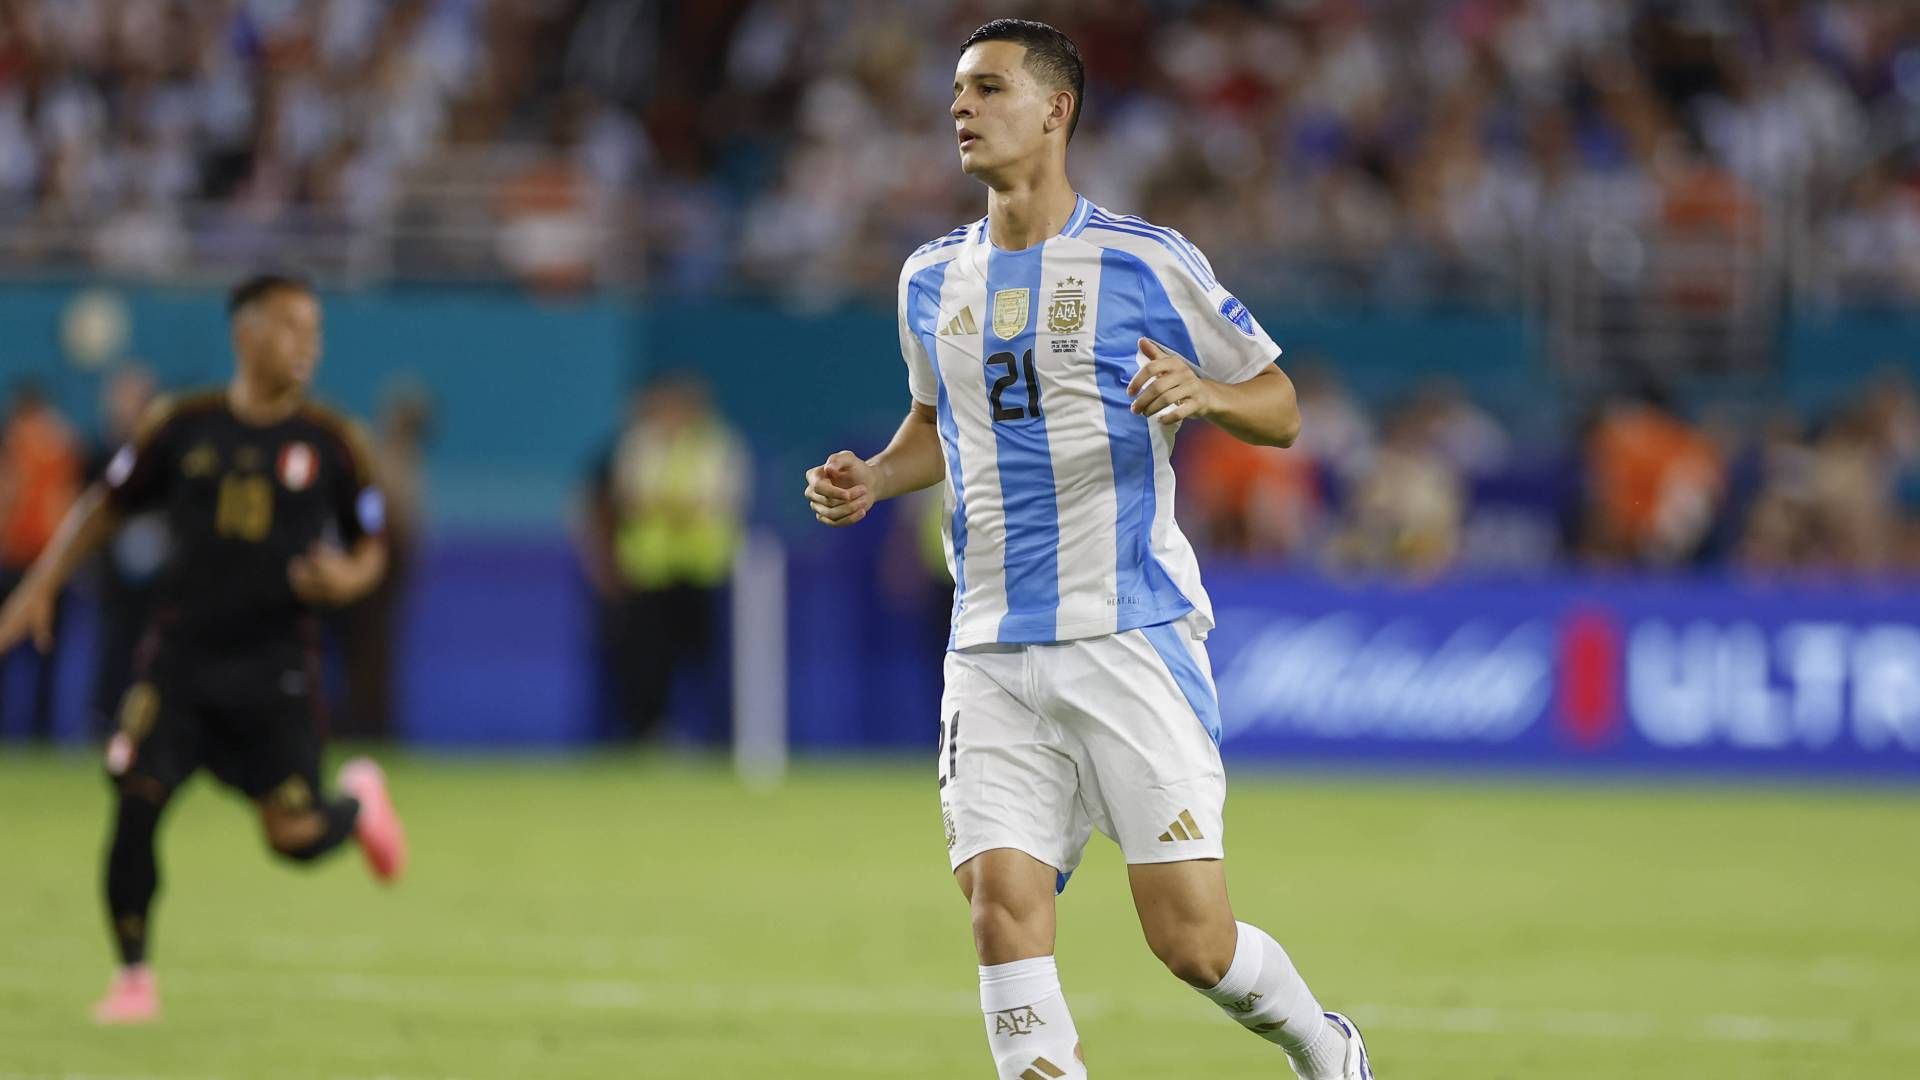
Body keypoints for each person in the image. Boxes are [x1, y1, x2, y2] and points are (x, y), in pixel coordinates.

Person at [802, 20, 1373, 1080]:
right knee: (1000, 907)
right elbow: (937, 422)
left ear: (1057, 110)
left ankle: (1324, 1046)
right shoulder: (930, 279)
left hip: (1127, 635)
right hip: (989, 644)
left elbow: (1282, 404)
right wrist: (875, 476)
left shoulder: (1144, 261)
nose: (961, 107)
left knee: (1192, 943)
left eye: (989, 88)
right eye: (958, 91)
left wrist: (1205, 392)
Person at [0, 274, 408, 1025]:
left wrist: (347, 578)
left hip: (276, 665)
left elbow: (371, 545)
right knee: (135, 796)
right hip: (181, 659)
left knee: (293, 837)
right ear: (245, 335)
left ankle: (359, 806)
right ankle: (133, 978)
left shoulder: (332, 440)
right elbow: (106, 506)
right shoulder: (182, 424)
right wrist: (42, 583)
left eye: (315, 331)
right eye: (290, 328)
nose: (307, 345)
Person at [0, 379, 83, 740]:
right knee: (60, 651)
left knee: (18, 650)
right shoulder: (64, 441)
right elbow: (74, 500)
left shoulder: (15, 440)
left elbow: (8, 495)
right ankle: (64, 732)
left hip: (17, 558)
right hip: (55, 560)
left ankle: (16, 732)